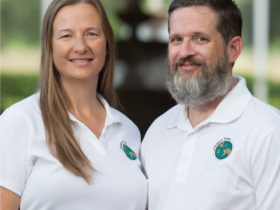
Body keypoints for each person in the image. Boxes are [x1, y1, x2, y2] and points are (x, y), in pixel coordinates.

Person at [0, 0, 147, 209]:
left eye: (92, 34)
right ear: (49, 46)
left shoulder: (128, 130)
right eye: (66, 35)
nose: (80, 46)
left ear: (107, 43)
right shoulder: (19, 122)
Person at [141, 0, 280, 209]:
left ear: (233, 49)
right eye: (176, 39)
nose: (184, 52)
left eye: (200, 38)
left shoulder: (268, 131)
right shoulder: (158, 130)